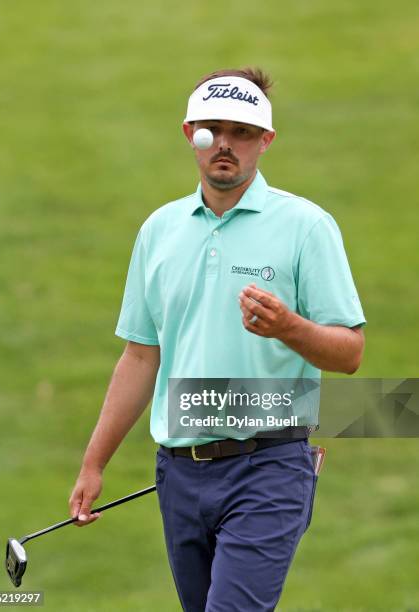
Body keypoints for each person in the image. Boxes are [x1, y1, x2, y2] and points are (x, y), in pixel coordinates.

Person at [69, 67, 366, 611]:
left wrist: (289, 328)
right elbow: (140, 355)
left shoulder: (307, 226)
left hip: (270, 468)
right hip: (178, 474)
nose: (225, 144)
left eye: (243, 132)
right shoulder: (159, 230)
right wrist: (94, 464)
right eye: (212, 129)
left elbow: (349, 352)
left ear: (265, 141)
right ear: (190, 134)